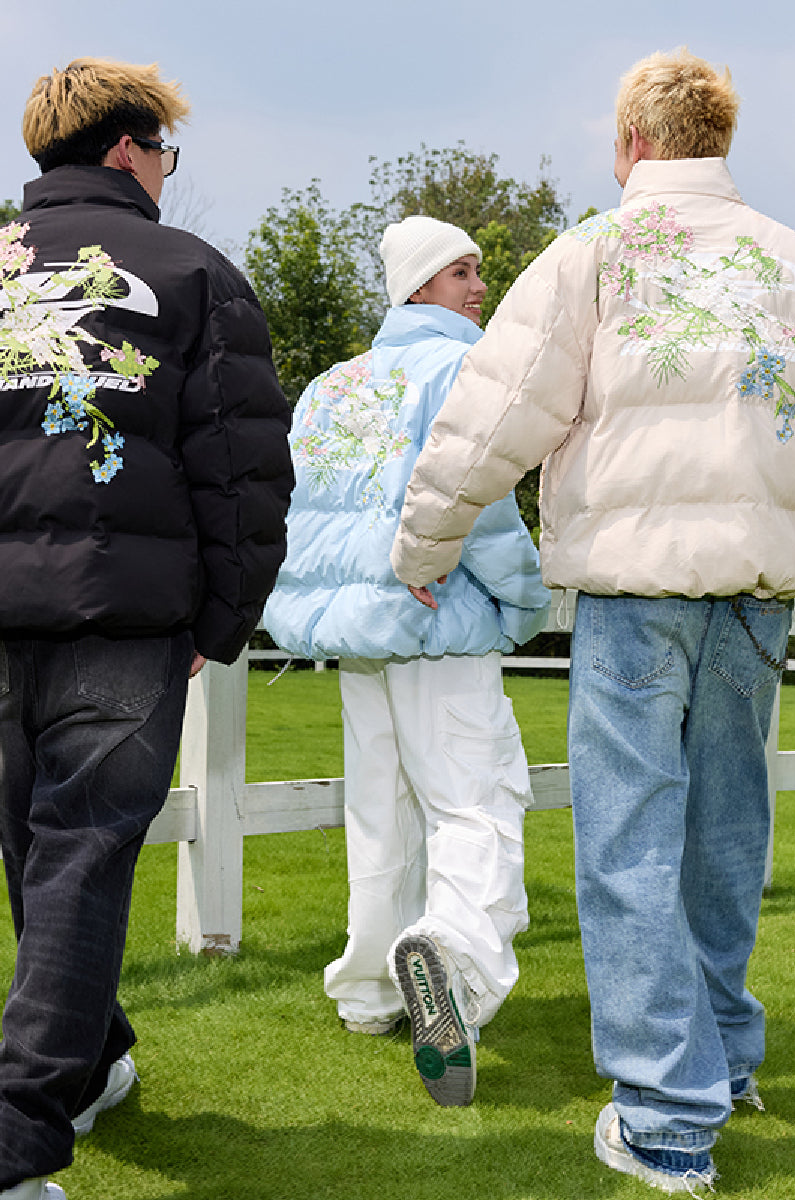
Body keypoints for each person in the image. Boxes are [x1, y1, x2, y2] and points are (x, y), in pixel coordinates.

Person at [390, 49, 795, 1193]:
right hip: (756, 599)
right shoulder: (786, 258)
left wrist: (423, 544)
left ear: (628, 145)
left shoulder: (593, 254)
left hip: (631, 593)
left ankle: (667, 1117)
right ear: (718, 140)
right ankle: (719, 1055)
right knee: (724, 835)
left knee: (627, 842)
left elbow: (492, 416)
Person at [0, 58, 293, 1200]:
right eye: (165, 150)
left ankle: (98, 1058)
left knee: (37, 847)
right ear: (127, 149)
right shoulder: (193, 273)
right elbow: (243, 472)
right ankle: (19, 1142)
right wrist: (224, 618)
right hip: (124, 618)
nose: (167, 171)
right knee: (75, 855)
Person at [264, 214, 549, 1107]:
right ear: (421, 283)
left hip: (361, 636)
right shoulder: (462, 368)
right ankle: (452, 967)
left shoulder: (331, 386)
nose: (479, 288)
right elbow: (486, 511)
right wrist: (527, 604)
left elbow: (299, 520)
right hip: (441, 624)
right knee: (477, 802)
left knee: (380, 811)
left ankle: (369, 990)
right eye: (463, 272)